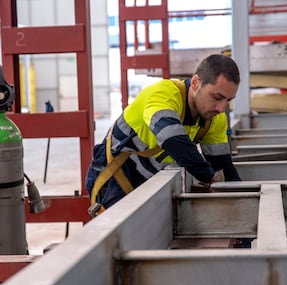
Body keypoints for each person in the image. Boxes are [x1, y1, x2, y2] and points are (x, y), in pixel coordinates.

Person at [86, 54, 242, 217]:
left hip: (148, 184)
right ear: (196, 83)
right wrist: (209, 177)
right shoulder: (163, 95)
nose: (221, 108)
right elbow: (173, 140)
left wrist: (241, 203)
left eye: (228, 100)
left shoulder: (215, 119)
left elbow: (223, 167)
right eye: (217, 97)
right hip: (114, 182)